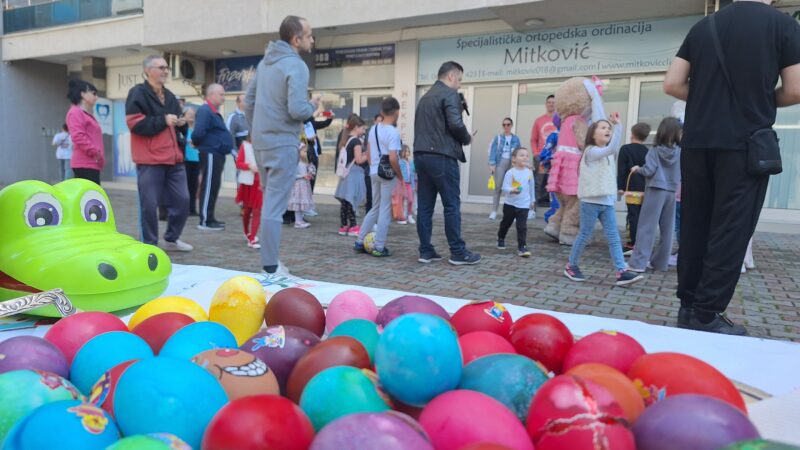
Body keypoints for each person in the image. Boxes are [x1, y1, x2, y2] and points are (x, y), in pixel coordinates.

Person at [663, 0, 800, 334]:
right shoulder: (782, 26)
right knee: (731, 228)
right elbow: (796, 88)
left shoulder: (703, 26)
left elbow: (672, 83)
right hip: (744, 143)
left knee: (696, 223)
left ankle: (688, 307)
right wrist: (761, 100)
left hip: (697, 142)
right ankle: (708, 313)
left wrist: (709, 99)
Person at [244, 15, 320, 275]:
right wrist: (314, 105)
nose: (312, 39)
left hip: (263, 143)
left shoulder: (266, 63)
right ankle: (270, 266)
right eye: (309, 35)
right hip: (282, 143)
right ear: (296, 39)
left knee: (269, 204)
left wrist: (256, 132)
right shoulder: (296, 65)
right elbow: (298, 109)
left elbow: (249, 100)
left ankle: (270, 263)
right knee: (274, 207)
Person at [563, 113, 643, 286]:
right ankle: (571, 265)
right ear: (593, 134)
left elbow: (609, 155)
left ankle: (621, 271)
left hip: (606, 202)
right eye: (603, 128)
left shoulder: (606, 154)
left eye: (609, 128)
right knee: (584, 234)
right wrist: (618, 126)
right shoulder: (591, 152)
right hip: (590, 202)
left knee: (614, 237)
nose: (607, 130)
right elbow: (612, 148)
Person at [414, 61, 480, 265]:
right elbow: (455, 124)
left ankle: (426, 251)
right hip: (442, 156)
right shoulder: (449, 94)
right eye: (459, 79)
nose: (459, 85)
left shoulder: (425, 97)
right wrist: (467, 138)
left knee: (425, 206)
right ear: (451, 76)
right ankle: (458, 252)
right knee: (451, 205)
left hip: (421, 156)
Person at [126, 54, 192, 252]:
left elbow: (174, 124)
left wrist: (181, 123)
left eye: (166, 68)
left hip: (174, 159)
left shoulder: (170, 95)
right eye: (160, 67)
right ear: (147, 70)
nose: (165, 71)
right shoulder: (137, 93)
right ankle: (150, 244)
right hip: (149, 159)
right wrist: (163, 120)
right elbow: (134, 124)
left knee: (183, 200)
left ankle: (172, 238)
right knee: (149, 204)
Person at [626, 117, 682, 273]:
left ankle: (638, 263)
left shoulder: (654, 151)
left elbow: (649, 170)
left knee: (646, 228)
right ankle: (660, 263)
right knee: (667, 230)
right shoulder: (680, 152)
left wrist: (638, 169)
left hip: (655, 190)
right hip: (671, 192)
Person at [353, 97, 404, 257]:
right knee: (385, 209)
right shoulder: (393, 133)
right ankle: (379, 246)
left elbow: (368, 153)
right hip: (387, 174)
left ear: (382, 111)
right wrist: (400, 176)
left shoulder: (373, 129)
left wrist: (373, 164)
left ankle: (360, 240)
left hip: (373, 171)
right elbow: (393, 158)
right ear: (396, 112)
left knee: (374, 207)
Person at [192, 83, 233, 231]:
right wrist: (199, 144)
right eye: (221, 94)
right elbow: (198, 133)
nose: (223, 97)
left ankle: (210, 217)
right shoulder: (205, 110)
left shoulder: (213, 112)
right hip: (210, 153)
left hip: (216, 154)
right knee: (208, 186)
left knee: (213, 186)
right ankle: (204, 221)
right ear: (211, 95)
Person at [616, 122, 651, 252]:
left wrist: (620, 186)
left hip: (631, 187)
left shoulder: (625, 149)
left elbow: (622, 169)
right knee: (641, 215)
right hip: (644, 187)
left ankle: (633, 243)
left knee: (633, 214)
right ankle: (639, 242)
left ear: (632, 134)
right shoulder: (647, 151)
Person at [497, 147, 535, 257]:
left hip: (524, 204)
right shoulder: (510, 173)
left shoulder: (529, 172)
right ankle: (501, 237)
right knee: (506, 223)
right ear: (514, 159)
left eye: (527, 155)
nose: (525, 157)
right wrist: (512, 190)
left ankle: (522, 247)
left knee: (522, 226)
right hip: (510, 204)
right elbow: (504, 188)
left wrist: (532, 200)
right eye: (522, 155)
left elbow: (531, 187)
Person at [334, 114, 367, 236]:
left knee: (345, 200)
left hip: (346, 173)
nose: (363, 131)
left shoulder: (345, 139)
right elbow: (359, 160)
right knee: (351, 199)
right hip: (353, 173)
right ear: (356, 127)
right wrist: (368, 154)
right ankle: (353, 226)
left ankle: (344, 226)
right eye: (362, 128)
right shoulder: (356, 141)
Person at [65, 79, 104, 185]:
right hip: (84, 163)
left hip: (91, 163)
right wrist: (95, 152)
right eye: (93, 93)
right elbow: (78, 136)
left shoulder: (83, 113)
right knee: (91, 199)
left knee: (93, 198)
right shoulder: (76, 112)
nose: (96, 97)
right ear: (83, 94)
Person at [488, 117, 522, 220]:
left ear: (511, 125)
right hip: (500, 163)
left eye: (508, 124)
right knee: (498, 188)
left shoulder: (516, 139)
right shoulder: (498, 138)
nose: (506, 126)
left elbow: (519, 152)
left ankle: (513, 213)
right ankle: (494, 211)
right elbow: (493, 151)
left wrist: (520, 165)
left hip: (512, 164)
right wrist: (492, 164)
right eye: (504, 125)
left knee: (513, 188)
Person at [235, 136, 263, 249]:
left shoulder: (266, 146)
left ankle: (252, 238)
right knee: (247, 209)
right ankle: (247, 233)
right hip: (248, 182)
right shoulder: (245, 146)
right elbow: (239, 163)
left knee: (257, 209)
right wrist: (249, 166)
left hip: (260, 182)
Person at [530, 94, 557, 205]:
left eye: (553, 102)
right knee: (539, 182)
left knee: (553, 182)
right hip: (542, 157)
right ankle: (533, 208)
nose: (551, 104)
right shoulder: (539, 120)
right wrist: (536, 154)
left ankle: (551, 206)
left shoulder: (561, 120)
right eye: (549, 102)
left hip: (556, 157)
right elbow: (533, 139)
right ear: (546, 104)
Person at [287, 143, 316, 229]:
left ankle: (300, 219)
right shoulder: (296, 163)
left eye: (306, 152)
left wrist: (311, 172)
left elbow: (310, 169)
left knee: (301, 204)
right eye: (304, 151)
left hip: (304, 185)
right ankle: (298, 221)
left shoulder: (305, 162)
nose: (306, 153)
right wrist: (302, 176)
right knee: (298, 203)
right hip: (298, 185)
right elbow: (292, 175)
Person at [182, 107, 200, 216]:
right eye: (189, 114)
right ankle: (185, 208)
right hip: (186, 160)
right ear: (184, 115)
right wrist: (187, 141)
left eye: (193, 114)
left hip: (196, 159)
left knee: (194, 185)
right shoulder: (182, 129)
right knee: (185, 185)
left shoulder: (197, 129)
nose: (191, 116)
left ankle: (192, 209)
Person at [397, 145, 416, 225]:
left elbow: (413, 172)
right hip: (402, 184)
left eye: (408, 151)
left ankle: (409, 215)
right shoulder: (400, 162)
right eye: (406, 151)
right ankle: (401, 216)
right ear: (402, 152)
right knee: (401, 201)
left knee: (410, 200)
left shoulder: (411, 162)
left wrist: (414, 185)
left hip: (410, 184)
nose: (407, 153)